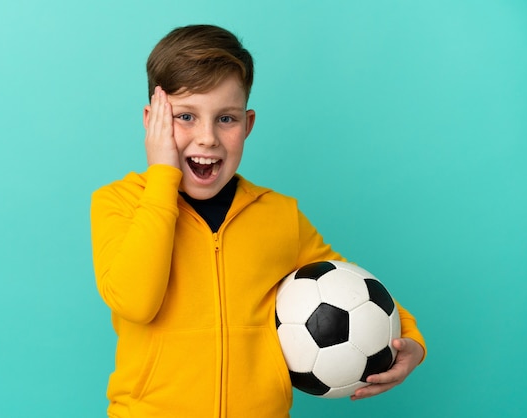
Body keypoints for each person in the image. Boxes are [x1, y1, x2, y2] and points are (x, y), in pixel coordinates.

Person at [90, 24, 426, 418]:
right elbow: (136, 301)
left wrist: (413, 342)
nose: (207, 138)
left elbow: (353, 288)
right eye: (185, 117)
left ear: (248, 125)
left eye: (226, 119)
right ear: (152, 122)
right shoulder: (120, 204)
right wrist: (162, 179)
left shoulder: (279, 215)